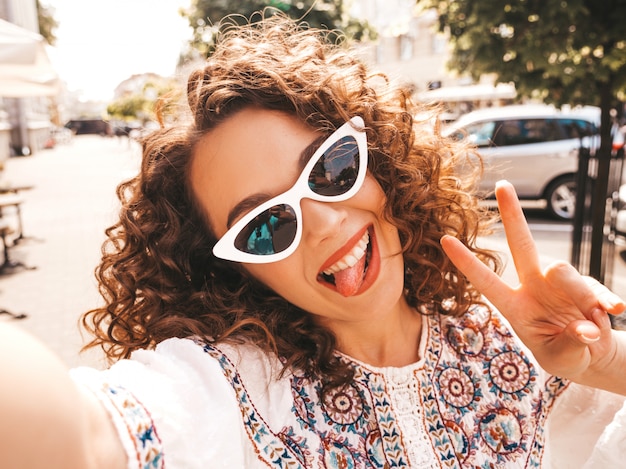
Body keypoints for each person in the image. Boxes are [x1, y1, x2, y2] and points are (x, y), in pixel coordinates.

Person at [1, 13, 626, 469]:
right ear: (236, 268)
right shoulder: (232, 390)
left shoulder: (522, 343)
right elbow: (79, 439)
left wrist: (606, 363)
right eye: (265, 225)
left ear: (380, 161)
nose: (325, 222)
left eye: (331, 169)